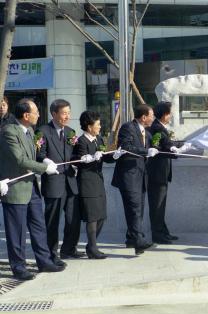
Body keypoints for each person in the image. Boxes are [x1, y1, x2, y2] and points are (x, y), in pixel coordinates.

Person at [0, 98, 64, 280]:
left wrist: (44, 160)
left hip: (32, 187)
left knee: (38, 227)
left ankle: (44, 262)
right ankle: (18, 267)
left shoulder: (29, 130)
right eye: (35, 111)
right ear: (26, 115)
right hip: (16, 189)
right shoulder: (9, 132)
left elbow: (32, 156)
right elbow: (19, 160)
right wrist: (45, 169)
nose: (38, 114)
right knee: (17, 232)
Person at [36, 99, 83, 266]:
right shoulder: (42, 131)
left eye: (69, 113)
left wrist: (83, 157)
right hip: (53, 182)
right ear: (54, 114)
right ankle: (51, 254)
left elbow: (76, 152)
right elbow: (38, 154)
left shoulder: (71, 132)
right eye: (64, 113)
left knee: (73, 218)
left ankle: (69, 248)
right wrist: (46, 160)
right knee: (53, 220)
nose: (67, 116)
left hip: (70, 181)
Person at [111, 104, 159, 255]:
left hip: (141, 176)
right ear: (144, 117)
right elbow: (126, 147)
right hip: (129, 176)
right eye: (152, 115)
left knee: (138, 209)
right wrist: (146, 151)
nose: (153, 118)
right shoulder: (128, 128)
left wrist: (177, 147)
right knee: (134, 209)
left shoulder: (147, 132)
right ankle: (139, 242)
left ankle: (131, 238)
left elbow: (160, 145)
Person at [73, 111, 121, 259]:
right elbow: (79, 160)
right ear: (89, 126)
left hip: (98, 181)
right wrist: (88, 158)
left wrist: (115, 156)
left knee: (101, 216)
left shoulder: (97, 139)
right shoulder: (81, 141)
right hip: (87, 182)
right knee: (92, 217)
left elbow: (104, 158)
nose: (100, 127)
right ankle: (93, 248)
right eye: (97, 124)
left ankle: (91, 246)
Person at [147, 101, 190, 244]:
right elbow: (158, 145)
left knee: (161, 204)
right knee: (157, 205)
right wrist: (174, 149)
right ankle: (157, 234)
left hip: (162, 174)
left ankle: (163, 231)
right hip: (157, 174)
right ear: (164, 114)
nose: (170, 116)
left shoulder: (161, 128)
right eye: (169, 113)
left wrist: (182, 145)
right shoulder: (157, 128)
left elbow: (168, 143)